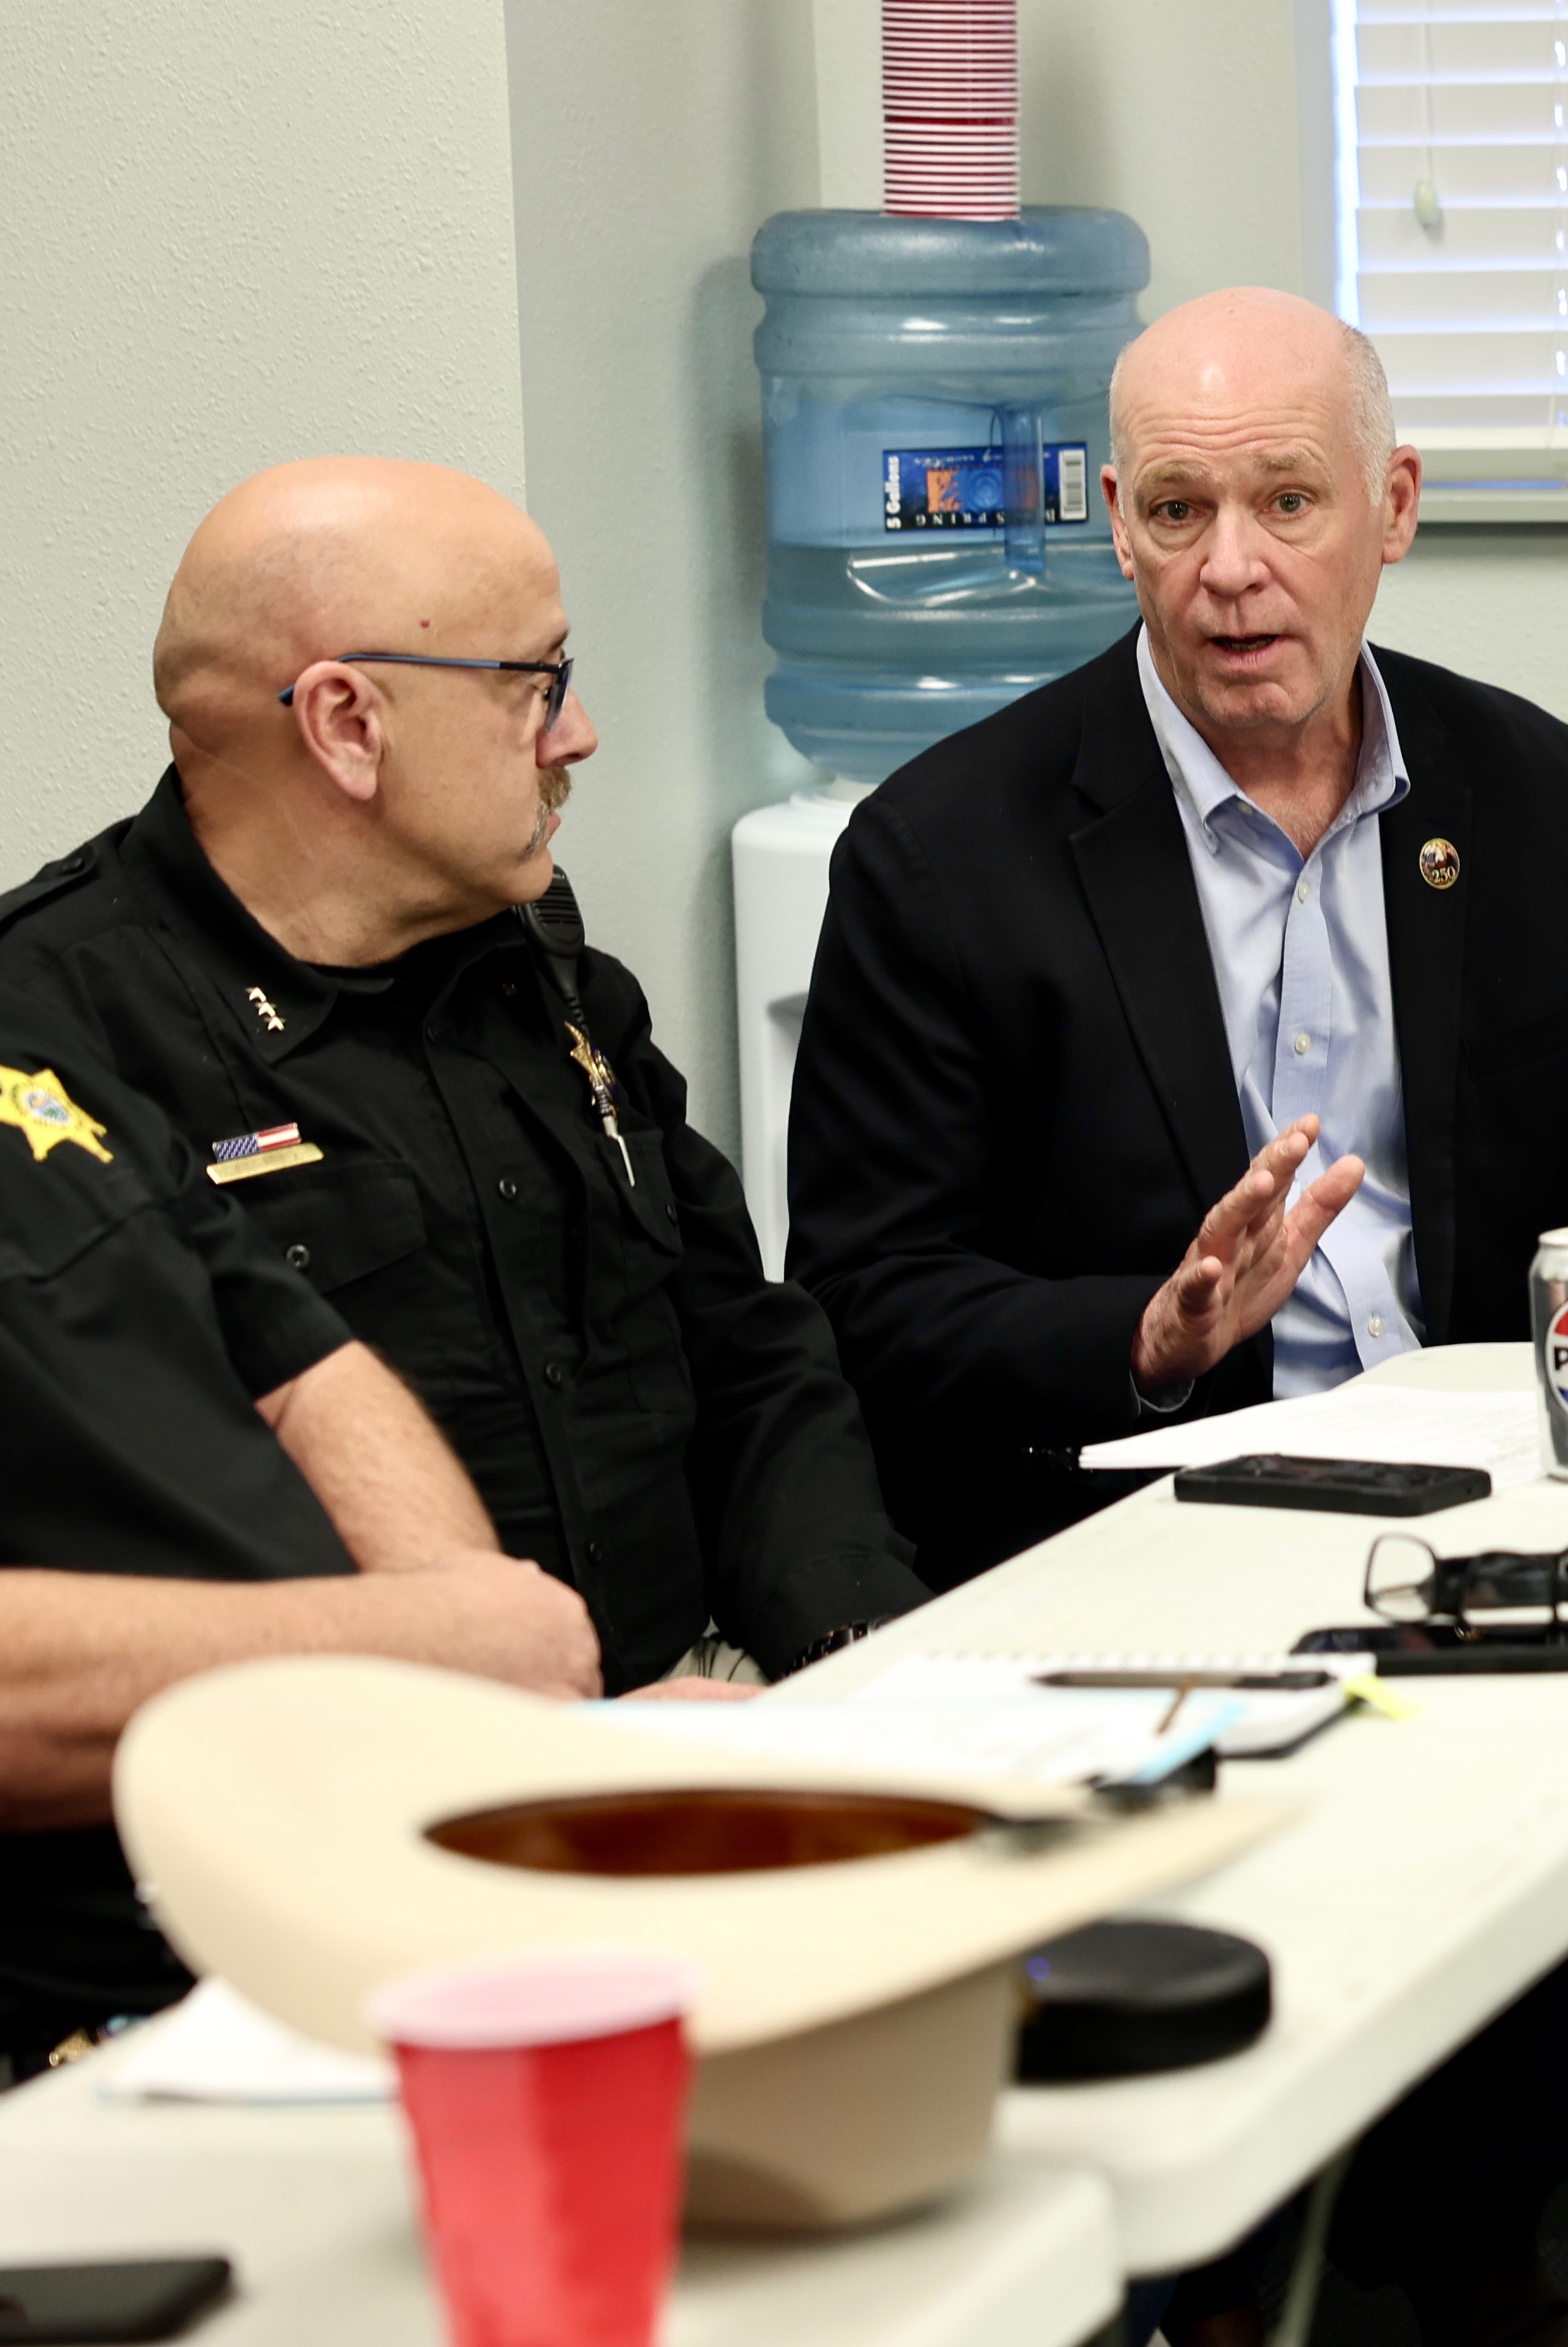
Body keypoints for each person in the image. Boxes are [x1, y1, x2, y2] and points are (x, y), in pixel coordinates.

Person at [790, 286, 1568, 2347]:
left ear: (1391, 509)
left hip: (1489, 1518)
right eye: (1177, 510)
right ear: (1110, 526)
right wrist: (1146, 1336)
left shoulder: (1531, 793)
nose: (1231, 571)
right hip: (1134, 1538)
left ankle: (1375, 2202)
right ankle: (1360, 2235)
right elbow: (863, 1303)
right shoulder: (944, 853)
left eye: (1286, 501)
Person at [0, 461, 927, 1692]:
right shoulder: (60, 1051)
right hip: (346, 1791)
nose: (577, 734)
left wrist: (857, 1655)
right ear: (346, 726)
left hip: (701, 1713)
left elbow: (747, 1355)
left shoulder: (541, 971)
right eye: (535, 686)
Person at [0, 1022, 600, 2078]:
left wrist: (470, 1728)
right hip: (98, 2025)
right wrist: (412, 1655)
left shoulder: (30, 1052)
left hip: (359, 1884)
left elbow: (301, 1365)